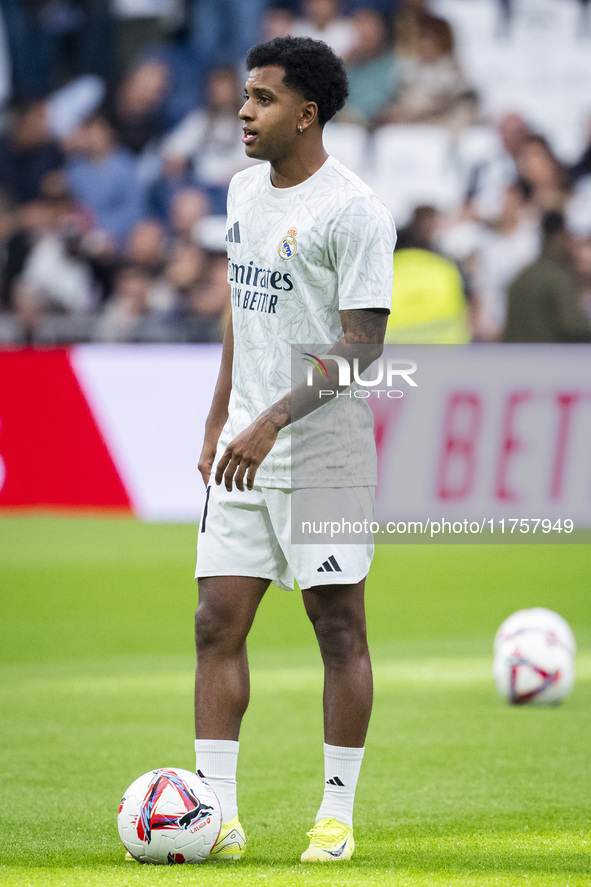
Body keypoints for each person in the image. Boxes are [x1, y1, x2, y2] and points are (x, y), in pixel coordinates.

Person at [194, 36, 395, 863]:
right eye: (244, 96)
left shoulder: (355, 211)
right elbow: (241, 314)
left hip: (322, 454)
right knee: (214, 623)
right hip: (243, 444)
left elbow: (361, 347)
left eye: (262, 98)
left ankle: (335, 815)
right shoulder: (243, 192)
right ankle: (214, 814)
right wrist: (217, 421)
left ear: (305, 113)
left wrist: (272, 417)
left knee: (336, 625)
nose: (243, 111)